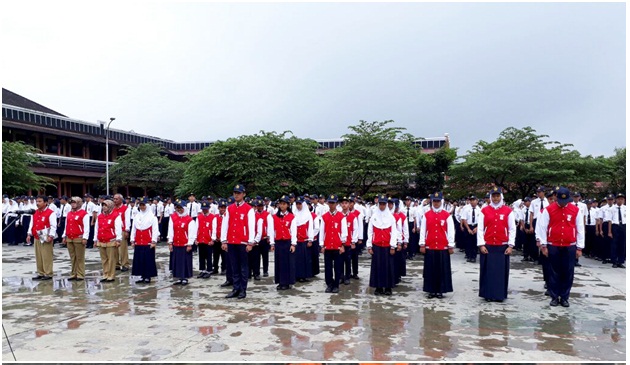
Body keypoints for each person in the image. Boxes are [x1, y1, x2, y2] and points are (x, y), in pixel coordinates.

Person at [536, 187, 585, 307]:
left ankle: (564, 297)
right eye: (561, 201)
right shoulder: (548, 210)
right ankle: (554, 296)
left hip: (569, 246)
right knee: (554, 272)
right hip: (554, 245)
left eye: (565, 202)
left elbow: (580, 229)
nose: (563, 204)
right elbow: (543, 228)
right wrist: (543, 245)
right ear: (556, 199)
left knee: (568, 272)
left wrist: (579, 247)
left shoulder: (575, 210)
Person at [477, 187, 516, 302]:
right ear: (490, 197)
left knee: (500, 272)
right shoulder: (484, 211)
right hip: (488, 246)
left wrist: (510, 245)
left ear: (501, 197)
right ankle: (487, 294)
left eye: (497, 196)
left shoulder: (508, 211)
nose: (495, 198)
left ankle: (499, 295)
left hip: (502, 246)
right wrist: (481, 244)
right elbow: (480, 228)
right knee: (487, 272)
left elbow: (512, 229)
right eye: (493, 196)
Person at [220, 184, 256, 299]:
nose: (236, 195)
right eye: (235, 193)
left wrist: (250, 242)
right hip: (232, 241)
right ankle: (235, 288)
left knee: (243, 267)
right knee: (234, 266)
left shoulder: (248, 209)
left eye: (239, 193)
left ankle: (243, 289)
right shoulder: (229, 208)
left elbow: (251, 226)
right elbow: (225, 225)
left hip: (243, 242)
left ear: (244, 194)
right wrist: (224, 241)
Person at [420, 192, 455, 298]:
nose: (436, 203)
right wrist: (422, 244)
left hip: (442, 247)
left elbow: (450, 231)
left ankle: (440, 290)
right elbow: (423, 230)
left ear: (441, 201)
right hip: (430, 246)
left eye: (438, 201)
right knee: (430, 270)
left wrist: (451, 245)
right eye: (434, 201)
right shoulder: (426, 215)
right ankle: (431, 290)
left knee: (441, 270)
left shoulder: (446, 215)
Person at [366, 194, 398, 295]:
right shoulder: (374, 217)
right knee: (377, 267)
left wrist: (393, 245)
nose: (382, 206)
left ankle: (388, 287)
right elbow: (370, 232)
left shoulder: (391, 217)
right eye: (381, 204)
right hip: (377, 246)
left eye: (384, 204)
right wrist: (369, 245)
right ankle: (378, 287)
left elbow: (394, 232)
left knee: (388, 267)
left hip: (388, 246)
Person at [320, 194, 348, 293]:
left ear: (336, 204)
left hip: (337, 246)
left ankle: (336, 285)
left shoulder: (341, 216)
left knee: (337, 267)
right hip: (327, 245)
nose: (331, 205)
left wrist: (342, 245)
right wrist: (322, 245)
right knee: (328, 267)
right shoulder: (324, 217)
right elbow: (322, 231)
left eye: (333, 203)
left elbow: (344, 232)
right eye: (330, 203)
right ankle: (329, 284)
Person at [268, 195, 297, 290]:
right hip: (279, 242)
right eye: (280, 204)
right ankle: (280, 281)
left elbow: (293, 231)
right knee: (279, 262)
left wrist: (293, 244)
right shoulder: (274, 217)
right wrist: (272, 243)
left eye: (284, 204)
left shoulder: (292, 217)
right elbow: (272, 231)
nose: (282, 206)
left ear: (288, 205)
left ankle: (287, 282)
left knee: (287, 263)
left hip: (287, 242)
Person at [26, 195, 57, 280]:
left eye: (40, 201)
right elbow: (31, 224)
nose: (38, 203)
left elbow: (53, 226)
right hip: (36, 236)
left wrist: (51, 236)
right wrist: (29, 234)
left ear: (46, 203)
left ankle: (48, 273)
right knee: (38, 255)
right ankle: (40, 272)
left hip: (45, 236)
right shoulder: (35, 212)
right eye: (37, 201)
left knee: (46, 255)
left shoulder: (51, 212)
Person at [168, 199, 197, 285]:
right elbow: (170, 230)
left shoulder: (189, 219)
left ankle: (185, 277)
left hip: (185, 244)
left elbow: (192, 232)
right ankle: (179, 277)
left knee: (185, 261)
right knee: (177, 261)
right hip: (176, 243)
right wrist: (170, 242)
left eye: (181, 208)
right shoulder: (173, 217)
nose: (179, 210)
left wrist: (189, 243)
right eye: (178, 208)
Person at [130, 198, 159, 284]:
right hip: (139, 241)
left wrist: (153, 241)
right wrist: (132, 240)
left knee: (148, 259)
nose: (142, 207)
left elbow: (155, 229)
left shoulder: (152, 217)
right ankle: (142, 276)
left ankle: (148, 276)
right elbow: (133, 229)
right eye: (140, 205)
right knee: (139, 259)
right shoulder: (137, 216)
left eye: (143, 205)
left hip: (148, 241)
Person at [94, 199, 122, 283]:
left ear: (110, 206)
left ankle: (111, 275)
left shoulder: (116, 215)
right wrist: (95, 240)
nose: (104, 207)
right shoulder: (100, 216)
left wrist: (118, 239)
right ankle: (105, 274)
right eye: (103, 205)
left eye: (106, 205)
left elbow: (118, 228)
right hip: (101, 240)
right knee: (104, 259)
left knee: (111, 259)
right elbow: (96, 228)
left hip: (111, 240)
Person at [62, 196, 90, 281]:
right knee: (72, 257)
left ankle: (80, 274)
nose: (73, 204)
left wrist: (85, 237)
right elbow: (66, 225)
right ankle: (73, 273)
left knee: (80, 257)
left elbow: (86, 227)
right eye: (71, 203)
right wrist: (64, 235)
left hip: (79, 237)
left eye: (74, 203)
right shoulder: (69, 213)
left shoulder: (83, 213)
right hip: (70, 237)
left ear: (79, 203)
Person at [292, 196, 314, 283]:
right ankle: (296, 275)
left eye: (300, 204)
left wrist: (310, 239)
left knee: (304, 259)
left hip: (304, 240)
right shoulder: (294, 214)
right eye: (297, 204)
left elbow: (310, 228)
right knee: (296, 259)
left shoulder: (308, 215)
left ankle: (304, 275)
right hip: (296, 240)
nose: (298, 206)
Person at [196, 201, 215, 279]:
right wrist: (196, 239)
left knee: (209, 256)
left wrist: (212, 239)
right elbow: (196, 228)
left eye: (206, 209)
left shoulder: (213, 217)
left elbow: (214, 229)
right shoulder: (199, 217)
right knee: (201, 256)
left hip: (208, 239)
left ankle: (209, 270)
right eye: (203, 209)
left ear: (209, 208)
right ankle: (203, 270)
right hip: (201, 239)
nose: (204, 211)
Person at [112, 194, 131, 272]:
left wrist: (127, 230)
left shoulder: (125, 208)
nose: (115, 200)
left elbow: (127, 220)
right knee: (114, 248)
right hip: (113, 230)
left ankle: (125, 264)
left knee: (122, 248)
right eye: (114, 199)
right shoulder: (112, 208)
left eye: (116, 199)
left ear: (121, 200)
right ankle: (116, 264)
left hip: (122, 230)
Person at [460, 195, 480, 263]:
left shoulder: (479, 209)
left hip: (476, 226)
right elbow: (464, 219)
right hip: (468, 226)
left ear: (477, 201)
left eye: (473, 200)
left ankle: (473, 256)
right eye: (471, 200)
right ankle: (468, 255)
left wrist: (477, 228)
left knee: (475, 242)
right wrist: (468, 228)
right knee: (468, 242)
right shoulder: (466, 209)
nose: (472, 202)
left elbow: (481, 220)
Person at [254, 199, 271, 278]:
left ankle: (265, 270)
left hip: (264, 238)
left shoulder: (267, 214)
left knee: (265, 256)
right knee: (256, 257)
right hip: (256, 239)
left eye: (261, 206)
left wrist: (269, 236)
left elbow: (269, 226)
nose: (260, 208)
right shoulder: (254, 215)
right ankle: (256, 272)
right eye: (258, 206)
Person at [608, 193, 626, 268]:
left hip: (624, 226)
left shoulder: (626, 208)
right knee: (614, 245)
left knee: (623, 244)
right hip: (615, 226)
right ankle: (614, 261)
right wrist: (609, 231)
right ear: (616, 200)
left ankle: (620, 261)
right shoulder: (612, 209)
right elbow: (610, 221)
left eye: (622, 199)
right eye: (619, 199)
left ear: (624, 200)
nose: (620, 200)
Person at [520, 197, 537, 262]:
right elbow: (521, 219)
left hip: (532, 225)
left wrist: (531, 227)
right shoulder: (523, 209)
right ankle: (526, 255)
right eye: (525, 201)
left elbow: (533, 217)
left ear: (530, 202)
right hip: (525, 225)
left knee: (532, 242)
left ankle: (532, 256)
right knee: (525, 242)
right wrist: (525, 228)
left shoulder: (533, 209)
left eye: (527, 201)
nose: (525, 203)